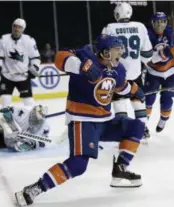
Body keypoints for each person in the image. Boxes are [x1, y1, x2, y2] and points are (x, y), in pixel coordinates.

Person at [15, 35, 146, 206]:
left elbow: (121, 86)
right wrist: (79, 66)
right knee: (78, 165)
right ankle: (35, 188)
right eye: (117, 49)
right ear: (106, 52)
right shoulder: (85, 59)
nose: (121, 51)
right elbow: (60, 57)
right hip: (83, 121)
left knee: (136, 127)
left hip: (105, 121)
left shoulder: (118, 68)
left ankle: (120, 168)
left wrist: (136, 90)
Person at [101, 3, 153, 137]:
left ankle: (123, 129)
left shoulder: (109, 28)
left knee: (119, 101)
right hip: (135, 73)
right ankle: (143, 128)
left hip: (117, 74)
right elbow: (147, 54)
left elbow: (102, 52)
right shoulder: (140, 27)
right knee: (138, 101)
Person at [0, 18, 41, 107]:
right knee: (4, 100)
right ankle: (6, 119)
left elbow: (35, 57)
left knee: (28, 102)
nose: (17, 29)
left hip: (23, 77)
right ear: (12, 27)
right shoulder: (3, 39)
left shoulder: (29, 41)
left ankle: (33, 118)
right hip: (7, 76)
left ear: (23, 29)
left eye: (20, 27)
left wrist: (34, 68)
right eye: (15, 26)